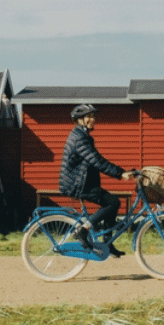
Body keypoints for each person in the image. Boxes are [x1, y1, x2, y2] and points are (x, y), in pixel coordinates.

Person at [60, 104, 135, 257]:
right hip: (77, 184)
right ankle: (83, 230)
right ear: (79, 119)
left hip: (83, 182)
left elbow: (96, 160)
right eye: (89, 116)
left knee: (113, 203)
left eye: (93, 116)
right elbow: (97, 161)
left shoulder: (82, 135)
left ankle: (107, 243)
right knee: (112, 202)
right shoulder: (79, 138)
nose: (93, 119)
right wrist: (120, 173)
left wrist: (123, 171)